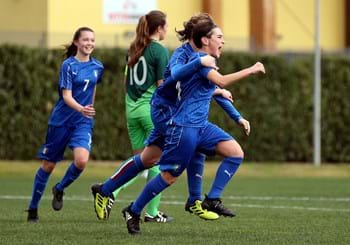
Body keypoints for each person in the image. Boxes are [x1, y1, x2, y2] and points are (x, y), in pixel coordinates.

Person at [91, 13, 252, 222]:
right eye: (218, 36)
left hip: (172, 112)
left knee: (149, 158)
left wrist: (230, 108)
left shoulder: (202, 57)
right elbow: (174, 79)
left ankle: (106, 190)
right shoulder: (182, 54)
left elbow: (199, 89)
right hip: (165, 112)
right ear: (203, 36)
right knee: (185, 148)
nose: (222, 41)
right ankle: (185, 203)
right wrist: (211, 78)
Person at [121, 21, 265, 234]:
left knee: (235, 153)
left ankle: (213, 199)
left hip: (201, 126)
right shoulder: (199, 60)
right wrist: (252, 69)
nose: (223, 41)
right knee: (169, 176)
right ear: (206, 40)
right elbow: (222, 82)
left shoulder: (205, 61)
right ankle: (134, 210)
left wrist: (238, 118)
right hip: (184, 127)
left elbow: (215, 89)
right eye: (219, 37)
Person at [26, 27, 104, 223]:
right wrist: (81, 109)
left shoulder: (98, 67)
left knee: (81, 161)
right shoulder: (68, 66)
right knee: (49, 165)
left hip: (82, 122)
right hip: (61, 121)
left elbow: (92, 90)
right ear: (77, 42)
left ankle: (59, 189)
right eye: (85, 40)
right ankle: (33, 208)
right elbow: (66, 96)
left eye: (92, 40)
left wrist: (88, 110)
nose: (89, 43)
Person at [111, 10, 174, 223]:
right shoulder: (159, 50)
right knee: (159, 161)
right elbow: (162, 87)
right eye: (166, 26)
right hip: (150, 112)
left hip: (131, 111)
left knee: (141, 164)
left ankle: (110, 192)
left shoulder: (134, 48)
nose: (167, 30)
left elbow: (125, 83)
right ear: (159, 28)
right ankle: (152, 213)